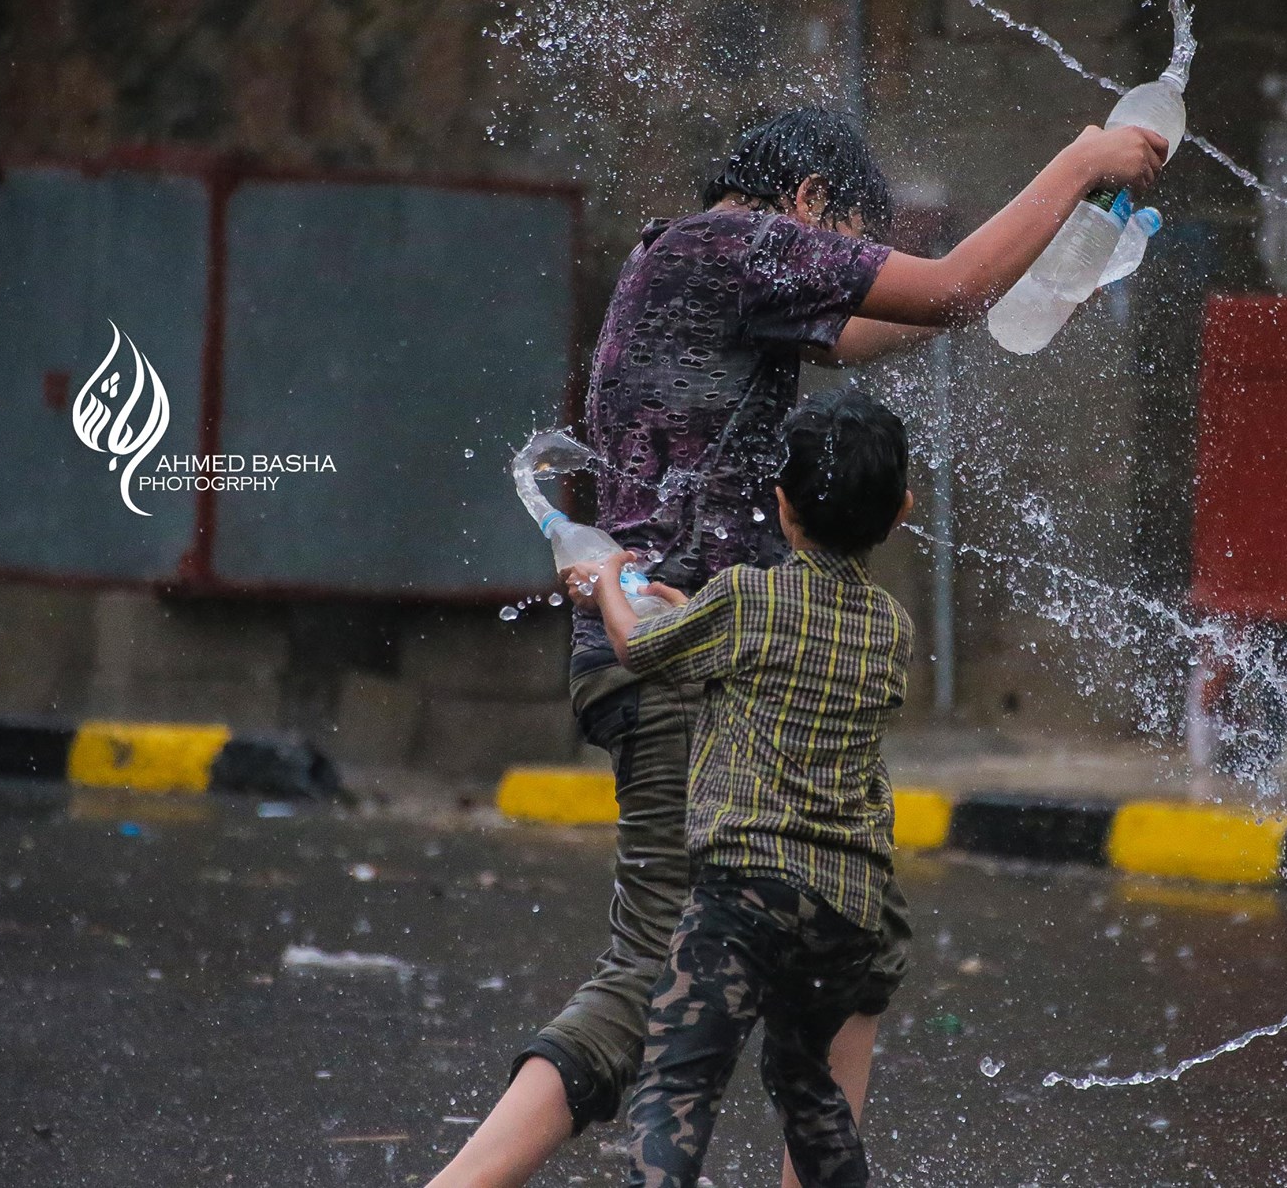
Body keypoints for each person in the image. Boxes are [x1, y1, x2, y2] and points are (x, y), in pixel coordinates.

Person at [426, 106, 1166, 1188]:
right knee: (660, 973)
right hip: (681, 658)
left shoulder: (686, 257)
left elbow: (913, 319)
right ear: (810, 204)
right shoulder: (742, 245)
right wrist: (1078, 158)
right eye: (844, 240)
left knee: (831, 947)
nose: (841, 263)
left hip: (677, 656)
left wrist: (1064, 235)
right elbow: (946, 286)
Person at [594, 388, 915, 1188]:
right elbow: (786, 653)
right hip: (846, 910)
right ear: (901, 509)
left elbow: (637, 646)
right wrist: (697, 612)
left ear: (779, 503)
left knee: (678, 1082)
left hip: (744, 896)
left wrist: (606, 577)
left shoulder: (747, 595)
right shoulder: (893, 627)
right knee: (806, 1083)